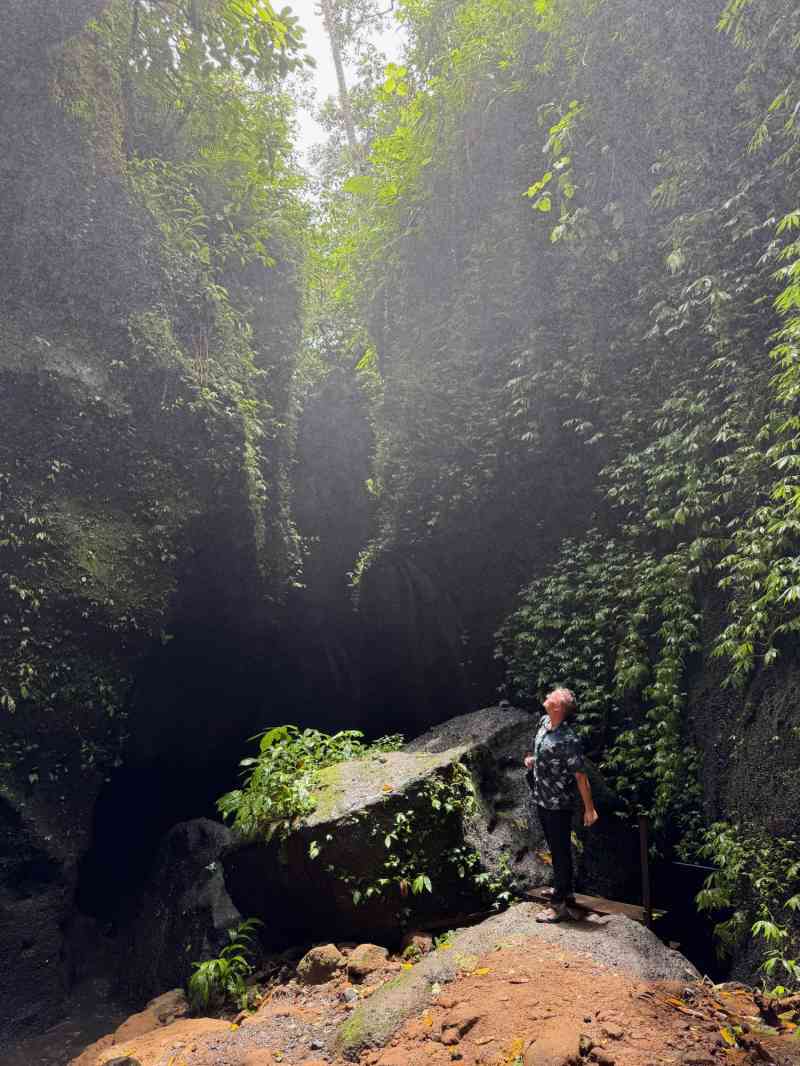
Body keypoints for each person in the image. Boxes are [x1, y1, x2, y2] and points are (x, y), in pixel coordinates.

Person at [524, 687, 599, 922]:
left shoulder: (569, 739)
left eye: (552, 696)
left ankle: (559, 906)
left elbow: (580, 776)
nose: (547, 696)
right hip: (542, 799)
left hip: (558, 804)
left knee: (560, 850)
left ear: (558, 707)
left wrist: (589, 808)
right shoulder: (544, 722)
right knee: (555, 849)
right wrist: (534, 760)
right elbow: (548, 755)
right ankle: (562, 888)